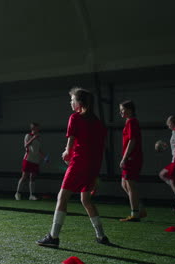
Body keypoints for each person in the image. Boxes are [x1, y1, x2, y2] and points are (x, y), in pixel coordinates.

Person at [36, 87, 108, 248]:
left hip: (78, 163)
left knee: (62, 197)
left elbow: (68, 151)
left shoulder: (75, 118)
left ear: (79, 103)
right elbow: (100, 148)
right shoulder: (98, 123)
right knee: (86, 200)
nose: (71, 102)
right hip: (93, 166)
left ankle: (53, 237)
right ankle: (101, 236)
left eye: (72, 99)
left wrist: (66, 154)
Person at [118, 100, 147, 222]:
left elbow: (132, 140)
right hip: (131, 157)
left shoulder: (131, 122)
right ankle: (140, 209)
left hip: (132, 158)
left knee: (130, 185)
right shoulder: (129, 122)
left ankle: (135, 214)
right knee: (124, 184)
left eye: (122, 109)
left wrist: (124, 158)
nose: (120, 112)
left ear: (129, 110)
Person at [15, 122, 46, 201]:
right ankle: (17, 193)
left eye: (38, 128)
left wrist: (44, 157)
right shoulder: (28, 136)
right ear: (32, 128)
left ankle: (31, 195)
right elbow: (26, 145)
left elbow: (38, 150)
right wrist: (33, 138)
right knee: (24, 176)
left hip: (35, 160)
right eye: (36, 128)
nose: (38, 129)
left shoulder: (38, 138)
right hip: (28, 159)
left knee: (33, 177)